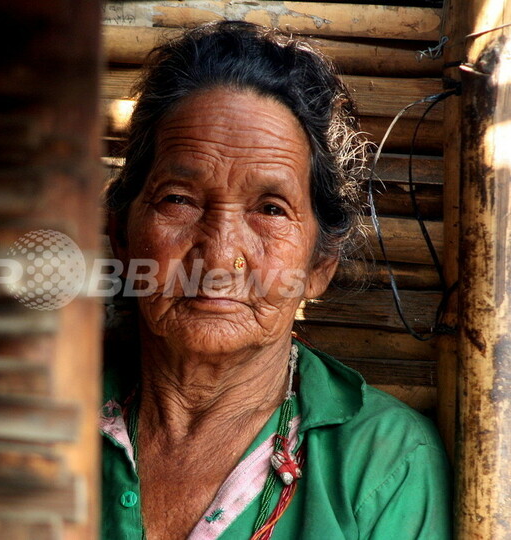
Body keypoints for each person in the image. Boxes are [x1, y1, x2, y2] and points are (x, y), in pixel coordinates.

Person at [101, 22, 451, 539]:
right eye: (179, 198)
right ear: (122, 237)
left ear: (319, 264)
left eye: (270, 208)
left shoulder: (383, 470)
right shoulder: (42, 409)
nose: (219, 256)